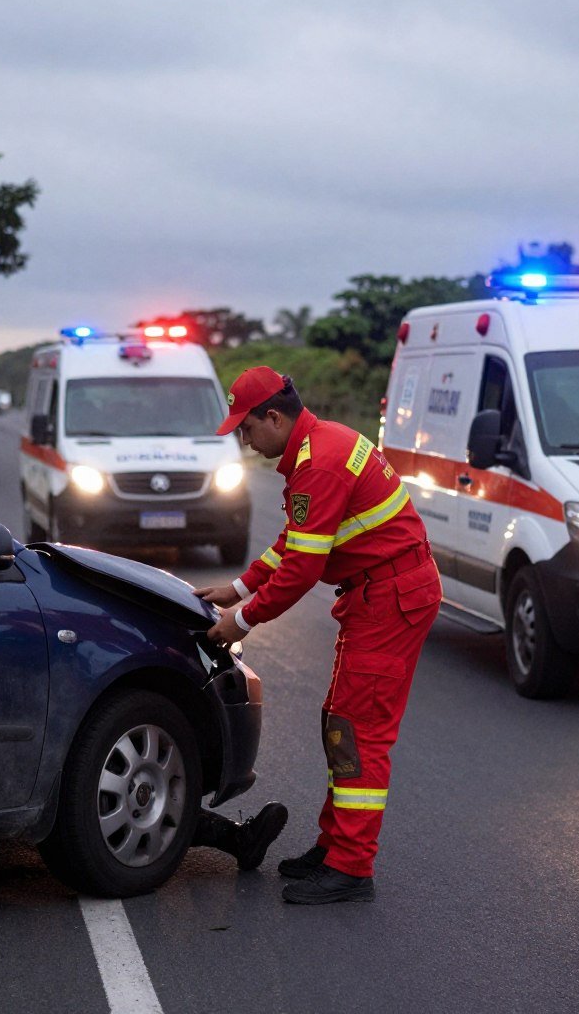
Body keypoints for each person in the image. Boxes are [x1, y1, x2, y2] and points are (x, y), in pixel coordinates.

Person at [194, 367, 441, 905]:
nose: (246, 441)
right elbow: (297, 540)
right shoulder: (316, 449)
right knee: (339, 722)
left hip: (391, 598)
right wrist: (237, 587)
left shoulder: (319, 464)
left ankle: (351, 867)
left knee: (358, 731)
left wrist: (240, 621)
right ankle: (334, 849)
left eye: (248, 428)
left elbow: (304, 568)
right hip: (379, 594)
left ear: (275, 417)